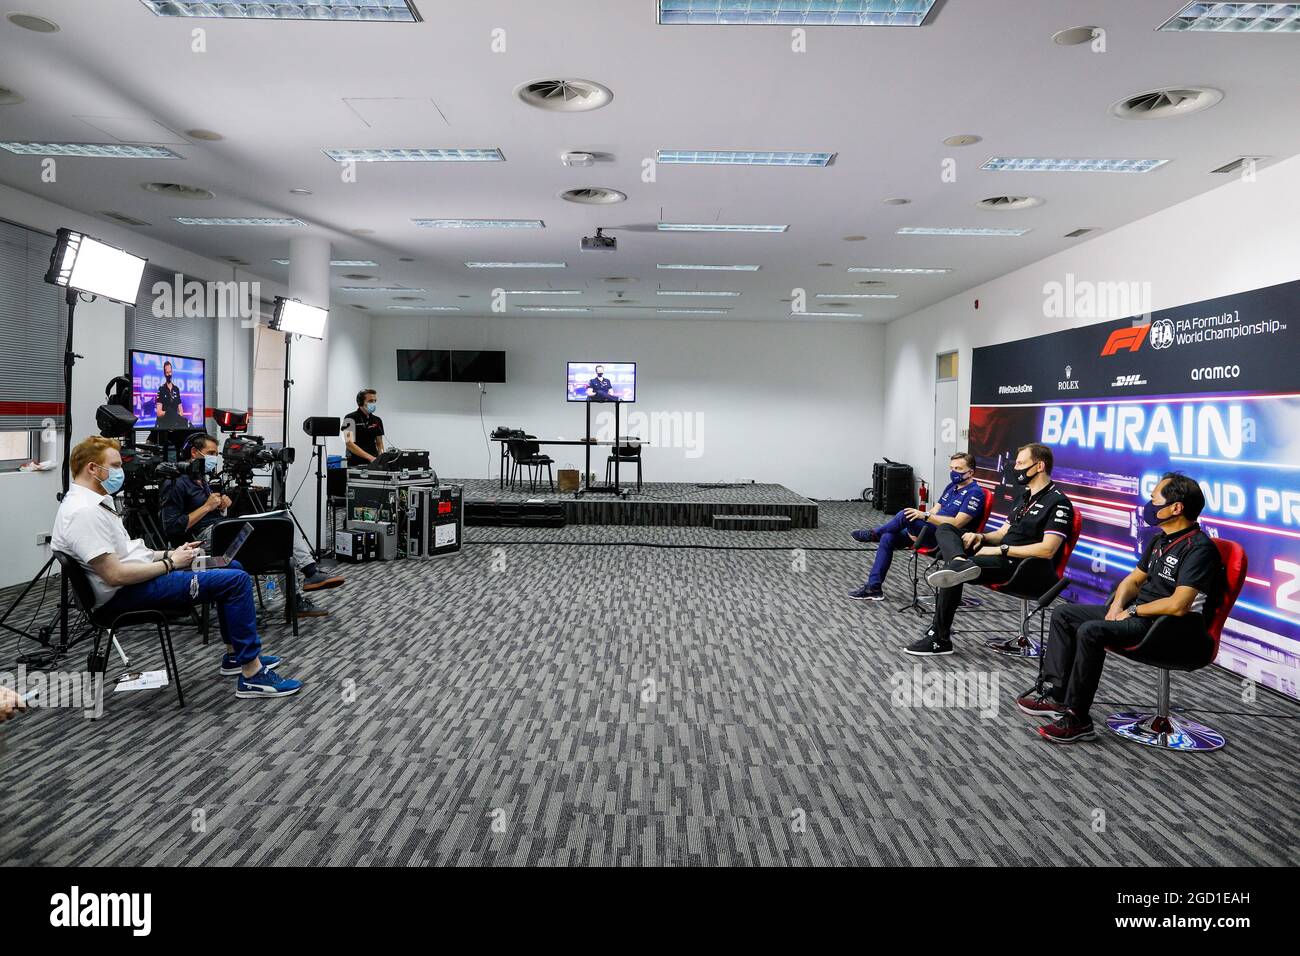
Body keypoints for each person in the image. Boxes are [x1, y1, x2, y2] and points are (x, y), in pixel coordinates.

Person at [52, 436, 302, 699]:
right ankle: (252, 674)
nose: (120, 472)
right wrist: (171, 564)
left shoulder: (93, 503)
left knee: (233, 565)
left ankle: (234, 655)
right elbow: (115, 575)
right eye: (114, 466)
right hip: (124, 596)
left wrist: (173, 553)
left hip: (136, 581)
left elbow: (129, 554)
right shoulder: (84, 512)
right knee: (235, 581)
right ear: (92, 468)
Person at [1021, 473, 1225, 744]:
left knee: (1092, 632)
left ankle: (1078, 719)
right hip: (1140, 615)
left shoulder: (1199, 548)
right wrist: (1117, 605)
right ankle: (1059, 695)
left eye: (1154, 500)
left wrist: (1129, 612)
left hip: (1168, 627)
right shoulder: (1160, 540)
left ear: (1176, 508)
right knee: (1065, 614)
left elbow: (1178, 605)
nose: (1148, 506)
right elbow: (1132, 580)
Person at [908, 443, 1075, 657]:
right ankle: (959, 559)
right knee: (948, 529)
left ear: (1040, 466)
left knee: (952, 572)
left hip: (1022, 566)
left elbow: (1047, 550)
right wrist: (981, 536)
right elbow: (1003, 532)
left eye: (1021, 463)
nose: (1016, 468)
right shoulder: (1024, 497)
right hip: (1001, 554)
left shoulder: (1059, 503)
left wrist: (998, 550)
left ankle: (939, 639)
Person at [160, 434, 344, 614]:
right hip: (203, 542)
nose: (214, 458)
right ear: (194, 452)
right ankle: (308, 576)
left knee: (281, 527)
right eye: (210, 452)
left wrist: (222, 506)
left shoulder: (203, 479)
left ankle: (299, 593)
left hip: (221, 532)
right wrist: (207, 507)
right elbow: (172, 528)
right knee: (276, 533)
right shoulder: (175, 481)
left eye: (216, 454)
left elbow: (211, 512)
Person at [848, 452, 985, 601]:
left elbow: (958, 523)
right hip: (928, 530)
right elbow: (934, 511)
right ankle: (873, 588)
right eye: (951, 468)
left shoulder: (975, 493)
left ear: (970, 472)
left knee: (905, 514)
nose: (953, 472)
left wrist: (924, 517)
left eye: (958, 469)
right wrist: (919, 525)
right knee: (888, 538)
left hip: (945, 538)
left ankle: (874, 533)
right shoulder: (951, 487)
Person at [343, 388, 385, 466]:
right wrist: (370, 458)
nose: (373, 403)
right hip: (355, 462)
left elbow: (379, 443)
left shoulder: (377, 420)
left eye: (375, 401)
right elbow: (349, 443)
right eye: (370, 401)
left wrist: (382, 458)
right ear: (360, 402)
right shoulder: (349, 418)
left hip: (374, 461)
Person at [154, 360, 187, 431]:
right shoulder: (161, 389)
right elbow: (159, 413)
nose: (169, 374)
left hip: (175, 426)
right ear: (164, 373)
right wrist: (170, 414)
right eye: (167, 372)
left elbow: (181, 412)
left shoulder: (176, 389)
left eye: (170, 372)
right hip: (164, 426)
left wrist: (175, 416)